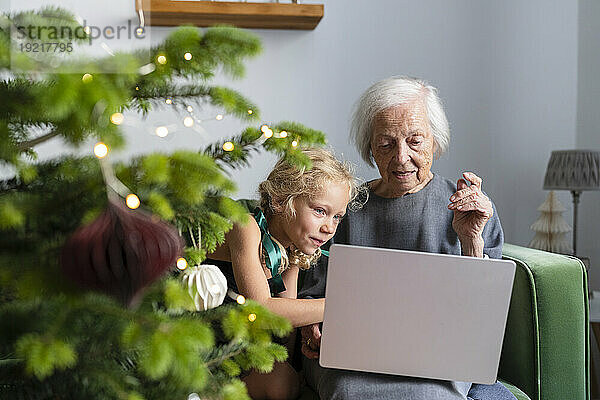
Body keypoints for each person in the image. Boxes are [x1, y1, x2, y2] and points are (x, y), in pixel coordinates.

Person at [298, 77, 517, 400]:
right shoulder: (343, 208)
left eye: (415, 141)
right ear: (369, 147)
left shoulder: (471, 208)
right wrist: (311, 327)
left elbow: (482, 319)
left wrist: (471, 241)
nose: (400, 158)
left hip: (438, 362)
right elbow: (310, 287)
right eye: (386, 144)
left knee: (430, 395)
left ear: (435, 142)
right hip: (352, 361)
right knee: (347, 392)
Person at [206, 147, 362, 400]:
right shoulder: (246, 228)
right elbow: (264, 309)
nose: (329, 227)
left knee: (286, 383)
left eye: (337, 217)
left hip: (238, 341)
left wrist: (289, 366)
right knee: (281, 386)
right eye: (320, 211)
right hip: (200, 334)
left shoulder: (294, 248)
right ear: (281, 200)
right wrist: (339, 305)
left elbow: (286, 318)